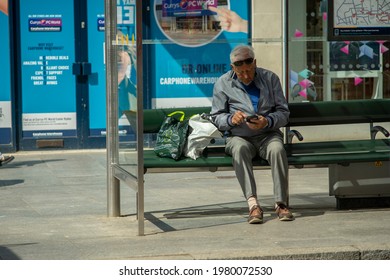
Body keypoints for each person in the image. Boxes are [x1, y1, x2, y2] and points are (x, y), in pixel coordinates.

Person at [210, 45, 294, 224]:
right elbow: (216, 116)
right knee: (239, 149)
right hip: (239, 136)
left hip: (268, 134)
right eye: (241, 73)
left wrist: (268, 121)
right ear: (233, 68)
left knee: (278, 149)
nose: (246, 76)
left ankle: (281, 203)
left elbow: (283, 112)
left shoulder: (270, 78)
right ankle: (253, 205)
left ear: (255, 63)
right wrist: (231, 119)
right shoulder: (222, 83)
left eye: (249, 70)